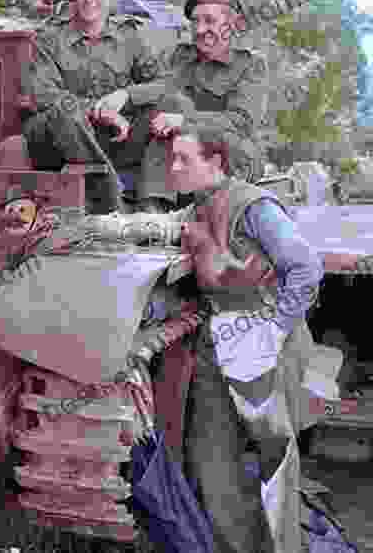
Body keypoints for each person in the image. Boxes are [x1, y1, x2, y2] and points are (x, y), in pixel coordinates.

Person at [127, 121, 344, 553]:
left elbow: (304, 268)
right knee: (209, 466)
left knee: (273, 470)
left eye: (184, 159)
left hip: (260, 351)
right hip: (216, 353)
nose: (173, 168)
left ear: (215, 162)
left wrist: (274, 330)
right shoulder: (196, 207)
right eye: (172, 159)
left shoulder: (253, 206)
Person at [21, 0, 180, 215]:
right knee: (66, 110)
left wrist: (126, 95)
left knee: (170, 107)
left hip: (114, 140)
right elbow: (43, 95)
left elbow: (164, 83)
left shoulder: (130, 37)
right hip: (59, 142)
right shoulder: (49, 39)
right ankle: (109, 199)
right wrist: (99, 110)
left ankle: (153, 204)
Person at [137, 0, 270, 206]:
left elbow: (241, 121)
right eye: (195, 21)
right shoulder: (180, 57)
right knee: (165, 114)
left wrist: (183, 122)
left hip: (232, 152)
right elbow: (152, 86)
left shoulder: (251, 64)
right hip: (181, 153)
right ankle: (154, 211)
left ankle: (161, 208)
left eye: (209, 21)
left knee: (175, 124)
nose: (199, 29)